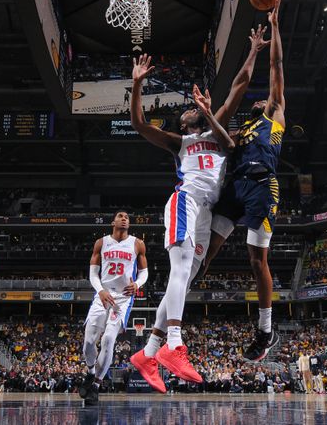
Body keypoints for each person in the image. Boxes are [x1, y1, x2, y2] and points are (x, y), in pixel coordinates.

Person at [128, 54, 235, 393]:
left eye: (196, 109)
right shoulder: (181, 142)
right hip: (185, 201)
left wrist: (253, 51)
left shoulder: (217, 133)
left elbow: (237, 89)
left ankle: (146, 354)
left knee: (186, 280)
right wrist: (137, 85)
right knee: (181, 269)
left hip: (206, 212)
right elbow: (140, 125)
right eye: (187, 111)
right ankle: (173, 344)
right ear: (183, 124)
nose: (191, 108)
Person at [201, 0, 284, 361]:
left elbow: (277, 66)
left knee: (255, 260)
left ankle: (265, 331)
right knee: (209, 246)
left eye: (261, 100)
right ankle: (182, 288)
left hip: (263, 186)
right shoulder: (243, 128)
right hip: (236, 185)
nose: (257, 101)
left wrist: (274, 30)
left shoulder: (274, 115)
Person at [80, 211, 148, 406]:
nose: (124, 218)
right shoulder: (101, 242)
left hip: (123, 298)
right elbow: (93, 273)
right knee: (88, 343)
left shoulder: (137, 243)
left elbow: (144, 272)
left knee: (109, 339)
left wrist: (138, 284)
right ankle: (91, 372)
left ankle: (96, 386)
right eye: (120, 216)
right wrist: (100, 291)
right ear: (113, 222)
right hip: (103, 295)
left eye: (127, 216)